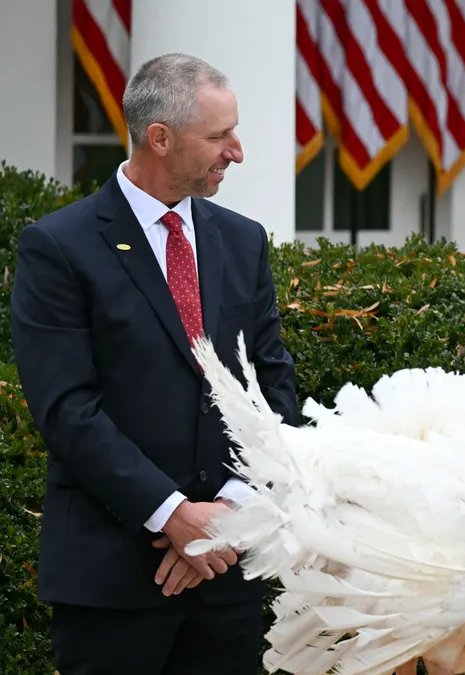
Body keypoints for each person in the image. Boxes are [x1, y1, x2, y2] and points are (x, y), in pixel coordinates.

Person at [11, 53, 297, 674]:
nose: (237, 152)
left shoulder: (242, 240)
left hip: (227, 578)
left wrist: (226, 516)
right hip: (112, 582)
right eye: (219, 136)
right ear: (160, 138)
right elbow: (67, 410)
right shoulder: (59, 247)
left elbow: (273, 389)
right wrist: (174, 516)